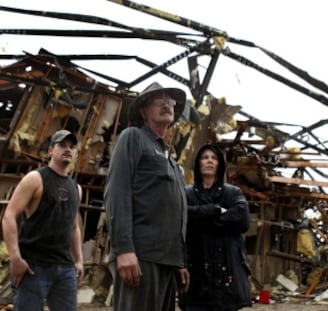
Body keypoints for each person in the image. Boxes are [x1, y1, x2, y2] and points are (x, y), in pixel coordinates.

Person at [104, 81, 190, 311]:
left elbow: (176, 213)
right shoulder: (133, 138)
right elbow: (117, 193)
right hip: (141, 256)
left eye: (170, 101)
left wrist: (179, 260)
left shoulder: (170, 159)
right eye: (158, 101)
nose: (167, 105)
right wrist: (123, 249)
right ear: (144, 111)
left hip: (166, 260)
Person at [2, 129, 84, 311]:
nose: (68, 149)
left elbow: (73, 228)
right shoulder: (35, 179)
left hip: (64, 268)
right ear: (50, 151)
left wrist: (79, 260)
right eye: (62, 145)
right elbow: (9, 216)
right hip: (33, 267)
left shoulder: (76, 189)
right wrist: (15, 258)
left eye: (72, 147)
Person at [179, 143, 252, 311]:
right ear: (198, 163)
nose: (209, 161)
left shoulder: (232, 193)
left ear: (220, 164)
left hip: (226, 270)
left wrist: (200, 221)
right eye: (205, 158)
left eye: (213, 158)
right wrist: (215, 210)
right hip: (196, 268)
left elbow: (242, 220)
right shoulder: (186, 193)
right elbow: (179, 217)